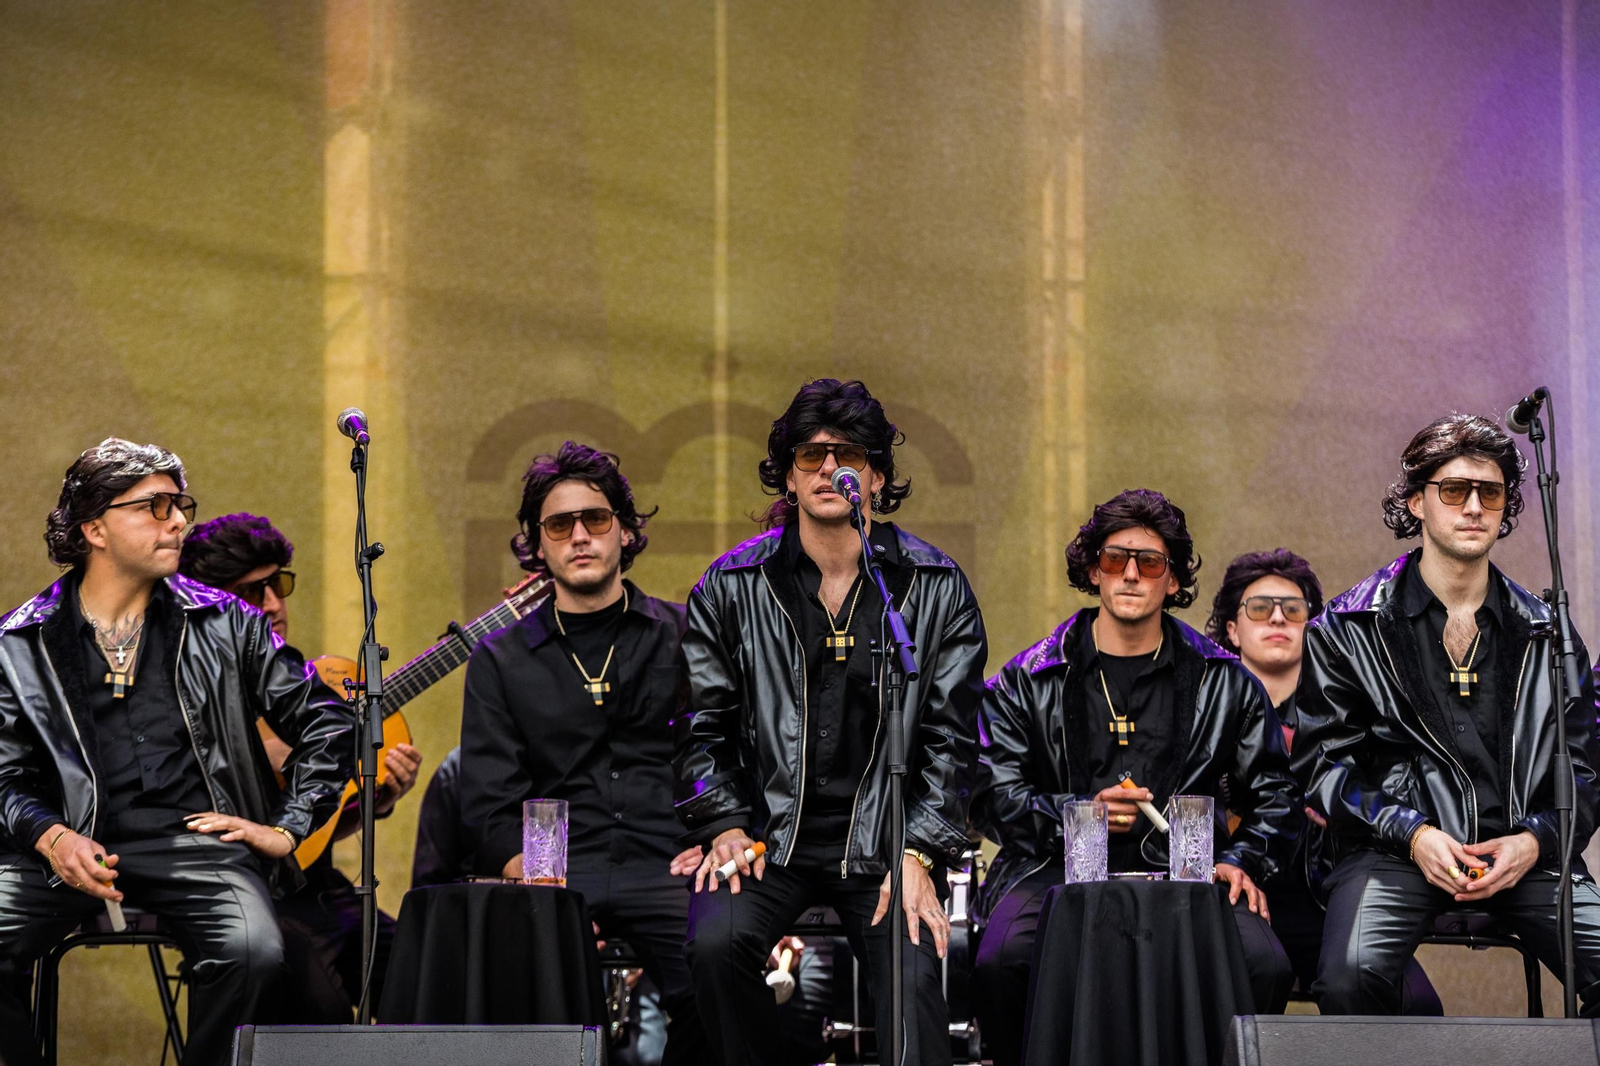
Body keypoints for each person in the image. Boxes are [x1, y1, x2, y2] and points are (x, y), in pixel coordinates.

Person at [0, 438, 353, 1066]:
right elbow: (3, 776)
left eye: (180, 504)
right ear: (95, 528)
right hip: (67, 845)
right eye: (156, 507)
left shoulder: (228, 622)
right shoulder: (20, 642)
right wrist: (52, 837)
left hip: (196, 843)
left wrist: (288, 827)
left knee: (255, 953)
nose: (179, 521)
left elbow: (327, 720)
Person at [677, 378, 987, 1066]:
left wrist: (918, 853)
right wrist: (723, 825)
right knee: (713, 947)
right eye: (808, 454)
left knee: (913, 982)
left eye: (846, 453)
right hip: (767, 839)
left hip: (886, 843)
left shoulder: (934, 587)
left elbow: (953, 741)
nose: (826, 467)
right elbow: (700, 727)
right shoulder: (730, 587)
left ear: (875, 475)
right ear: (786, 475)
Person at [972, 489, 1296, 1066]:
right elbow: (989, 790)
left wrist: (1243, 859)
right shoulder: (1029, 677)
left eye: (1149, 563)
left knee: (1264, 963)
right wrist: (1077, 815)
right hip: (1051, 865)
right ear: (1093, 569)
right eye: (1114, 559)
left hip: (1190, 872)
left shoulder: (1225, 682)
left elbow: (1274, 795)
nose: (1129, 575)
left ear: (1172, 580)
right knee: (1002, 962)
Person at [1299, 413, 1600, 1014]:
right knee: (1350, 978)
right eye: (1454, 490)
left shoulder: (1549, 633)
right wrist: (1412, 833)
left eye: (1489, 493)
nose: (1473, 507)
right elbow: (1322, 769)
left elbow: (1585, 773)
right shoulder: (1345, 628)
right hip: (1395, 852)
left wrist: (1536, 842)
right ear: (1416, 502)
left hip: (1521, 852)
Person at [458, 441, 709, 1063]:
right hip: (556, 867)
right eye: (559, 524)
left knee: (720, 982)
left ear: (625, 531)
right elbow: (489, 798)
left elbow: (720, 754)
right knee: (538, 1009)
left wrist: (717, 837)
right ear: (536, 544)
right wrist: (534, 877)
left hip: (671, 861)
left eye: (596, 519)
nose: (579, 536)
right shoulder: (500, 659)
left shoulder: (685, 634)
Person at [179, 512, 424, 1021]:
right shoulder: (188, 696)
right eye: (252, 592)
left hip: (317, 890)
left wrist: (371, 803)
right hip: (245, 897)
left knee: (427, 970)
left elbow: (313, 840)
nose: (272, 604)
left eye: (278, 585)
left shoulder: (297, 688)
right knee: (318, 1003)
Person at [1205, 548, 1440, 1013]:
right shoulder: (1205, 710)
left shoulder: (1349, 713)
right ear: (1232, 629)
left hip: (1327, 901)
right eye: (1259, 608)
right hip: (1232, 902)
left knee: (1415, 1005)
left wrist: (1348, 814)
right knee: (1243, 988)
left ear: (1313, 627)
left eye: (1293, 610)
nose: (1278, 618)